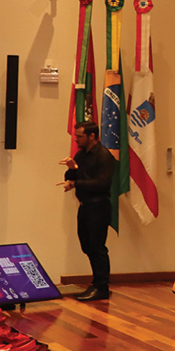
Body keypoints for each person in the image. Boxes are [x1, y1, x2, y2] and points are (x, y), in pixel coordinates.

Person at [59, 121, 117, 302]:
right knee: (87, 245)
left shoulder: (104, 156)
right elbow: (76, 177)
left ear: (92, 136)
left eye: (80, 136)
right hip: (85, 206)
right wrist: (71, 172)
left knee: (97, 247)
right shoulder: (81, 154)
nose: (76, 139)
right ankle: (97, 282)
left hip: (99, 206)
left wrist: (76, 183)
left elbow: (102, 183)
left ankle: (102, 286)